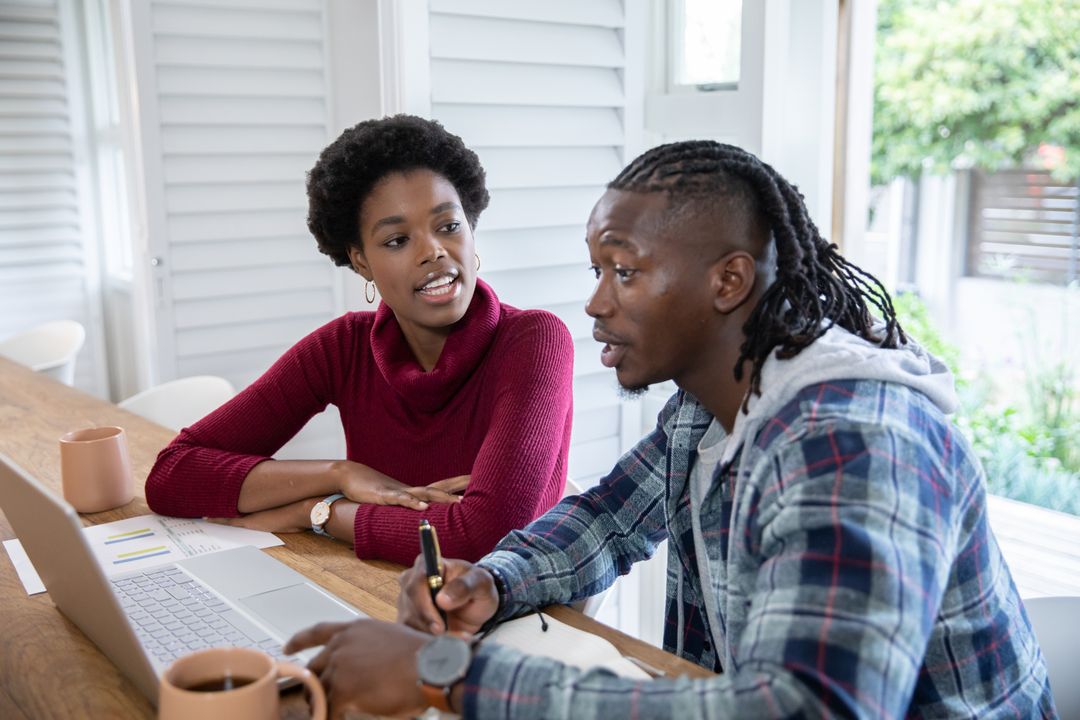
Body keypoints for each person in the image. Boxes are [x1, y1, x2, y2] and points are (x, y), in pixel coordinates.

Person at [284, 140, 1057, 719]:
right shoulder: (713, 401)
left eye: (624, 271)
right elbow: (606, 520)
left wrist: (448, 673)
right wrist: (493, 581)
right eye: (596, 272)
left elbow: (807, 708)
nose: (595, 303)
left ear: (728, 282)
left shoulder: (855, 441)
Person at [145, 115, 574, 564]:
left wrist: (318, 513)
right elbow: (172, 477)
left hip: (508, 617)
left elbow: (483, 537)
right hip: (375, 590)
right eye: (396, 240)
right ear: (361, 261)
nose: (433, 250)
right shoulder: (344, 348)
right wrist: (340, 473)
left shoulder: (534, 342)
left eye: (448, 226)